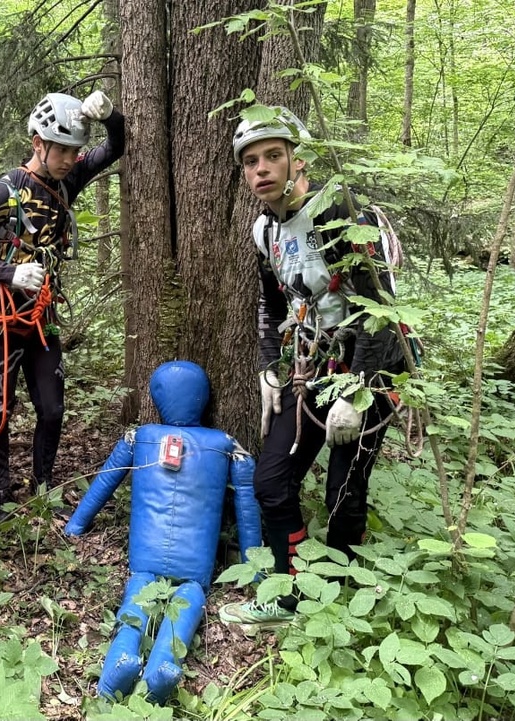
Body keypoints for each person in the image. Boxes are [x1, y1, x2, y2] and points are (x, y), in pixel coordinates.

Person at [218, 106, 406, 630]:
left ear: (297, 160)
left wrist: (358, 391)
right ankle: (291, 592)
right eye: (251, 161)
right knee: (272, 480)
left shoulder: (340, 213)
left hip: (371, 367)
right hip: (310, 365)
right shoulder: (264, 231)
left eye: (273, 156)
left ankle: (342, 604)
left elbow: (380, 310)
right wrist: (267, 369)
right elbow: (272, 305)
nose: (261, 169)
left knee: (343, 491)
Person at [0, 88, 125, 504]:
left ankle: (43, 485)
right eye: (64, 150)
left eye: (75, 151)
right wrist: (8, 271)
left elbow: (116, 146)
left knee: (52, 408)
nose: (72, 159)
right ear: (39, 143)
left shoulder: (68, 181)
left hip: (41, 315)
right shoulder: (5, 192)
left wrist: (109, 116)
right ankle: (0, 489)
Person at [64, 361, 255, 703]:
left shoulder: (141, 437)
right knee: (191, 596)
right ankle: (164, 665)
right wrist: (255, 566)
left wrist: (76, 524)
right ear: (203, 398)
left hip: (146, 554)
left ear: (159, 397)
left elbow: (106, 480)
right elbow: (247, 505)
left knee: (137, 595)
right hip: (196, 562)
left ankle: (120, 663)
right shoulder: (225, 444)